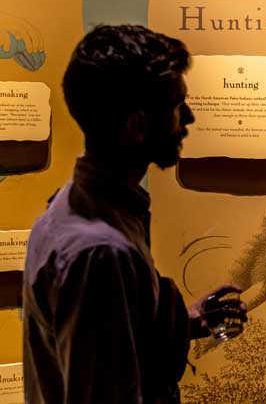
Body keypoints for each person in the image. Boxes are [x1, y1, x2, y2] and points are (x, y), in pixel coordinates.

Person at [22, 24, 248, 403]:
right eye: (178, 106)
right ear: (138, 125)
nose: (189, 118)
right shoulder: (102, 253)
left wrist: (179, 322)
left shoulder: (75, 208)